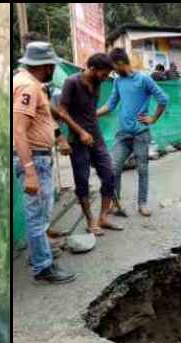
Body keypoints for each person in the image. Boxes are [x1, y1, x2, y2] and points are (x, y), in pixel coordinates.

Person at [13, 42, 76, 285]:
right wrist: (29, 171)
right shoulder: (27, 85)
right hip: (34, 159)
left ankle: (40, 257)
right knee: (37, 216)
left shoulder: (31, 84)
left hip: (39, 157)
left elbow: (43, 118)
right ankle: (43, 266)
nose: (53, 69)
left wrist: (58, 137)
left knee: (40, 214)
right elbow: (19, 130)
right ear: (45, 66)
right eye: (52, 65)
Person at [97, 47, 169, 218]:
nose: (112, 71)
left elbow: (163, 99)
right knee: (114, 168)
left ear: (121, 63)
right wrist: (92, 114)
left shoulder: (144, 79)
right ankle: (115, 203)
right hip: (123, 134)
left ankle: (142, 203)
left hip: (140, 134)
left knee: (142, 169)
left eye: (113, 67)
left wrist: (153, 118)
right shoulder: (118, 82)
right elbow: (110, 105)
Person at [60, 53, 124, 236]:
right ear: (92, 68)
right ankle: (90, 220)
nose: (106, 78)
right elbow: (62, 112)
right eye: (104, 74)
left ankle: (103, 217)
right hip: (77, 139)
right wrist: (80, 132)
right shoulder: (71, 82)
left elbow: (90, 111)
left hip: (96, 136)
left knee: (109, 175)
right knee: (82, 182)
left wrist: (91, 128)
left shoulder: (97, 82)